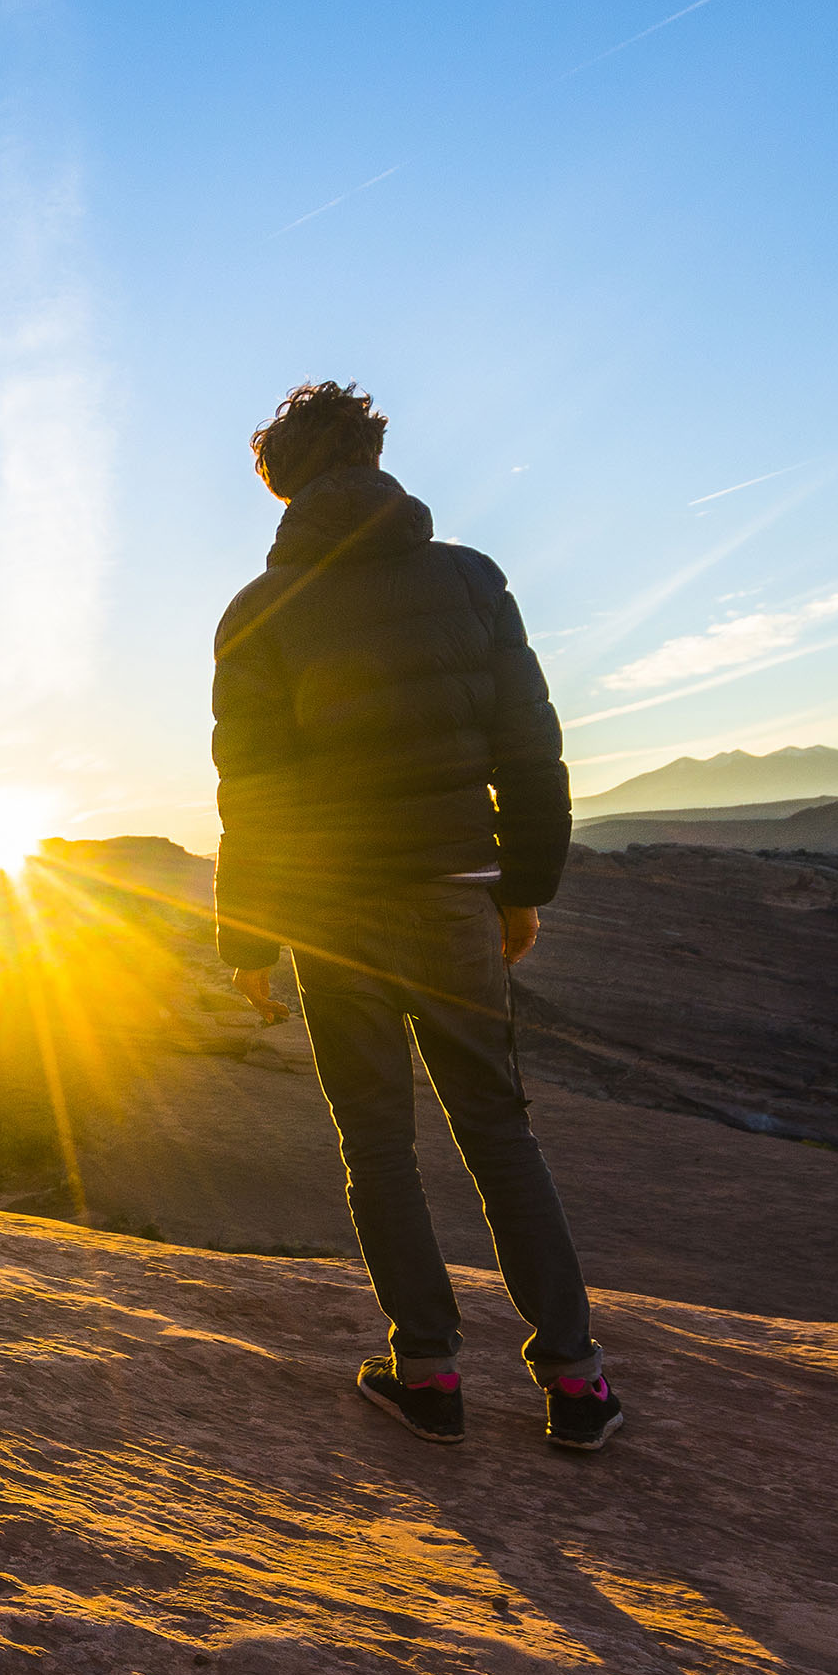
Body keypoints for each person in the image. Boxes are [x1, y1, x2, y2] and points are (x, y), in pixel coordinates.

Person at [209, 381, 618, 1451]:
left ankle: (426, 1373)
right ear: (377, 457)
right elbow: (532, 749)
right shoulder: (470, 580)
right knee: (498, 1130)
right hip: (454, 897)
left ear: (282, 482)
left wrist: (249, 937)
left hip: (337, 914)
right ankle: (576, 1386)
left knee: (378, 1143)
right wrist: (523, 886)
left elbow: (254, 795)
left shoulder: (260, 613)